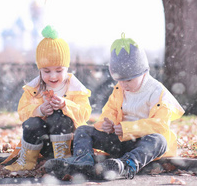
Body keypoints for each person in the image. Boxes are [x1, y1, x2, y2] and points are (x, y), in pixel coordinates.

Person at [44, 33, 184, 180]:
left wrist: (127, 128)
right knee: (83, 130)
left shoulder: (157, 92)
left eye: (129, 80)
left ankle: (126, 166)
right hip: (119, 140)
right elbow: (110, 110)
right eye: (119, 80)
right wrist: (107, 123)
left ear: (143, 72)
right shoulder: (120, 89)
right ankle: (83, 161)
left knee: (159, 140)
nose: (124, 84)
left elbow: (159, 126)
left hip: (142, 144)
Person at [2, 25, 92, 171]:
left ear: (67, 68)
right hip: (42, 142)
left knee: (59, 117)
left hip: (69, 139)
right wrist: (39, 110)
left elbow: (84, 113)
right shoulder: (35, 89)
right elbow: (22, 113)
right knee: (32, 122)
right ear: (40, 70)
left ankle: (62, 159)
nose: (53, 76)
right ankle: (27, 161)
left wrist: (65, 105)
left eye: (59, 70)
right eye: (47, 71)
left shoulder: (75, 88)